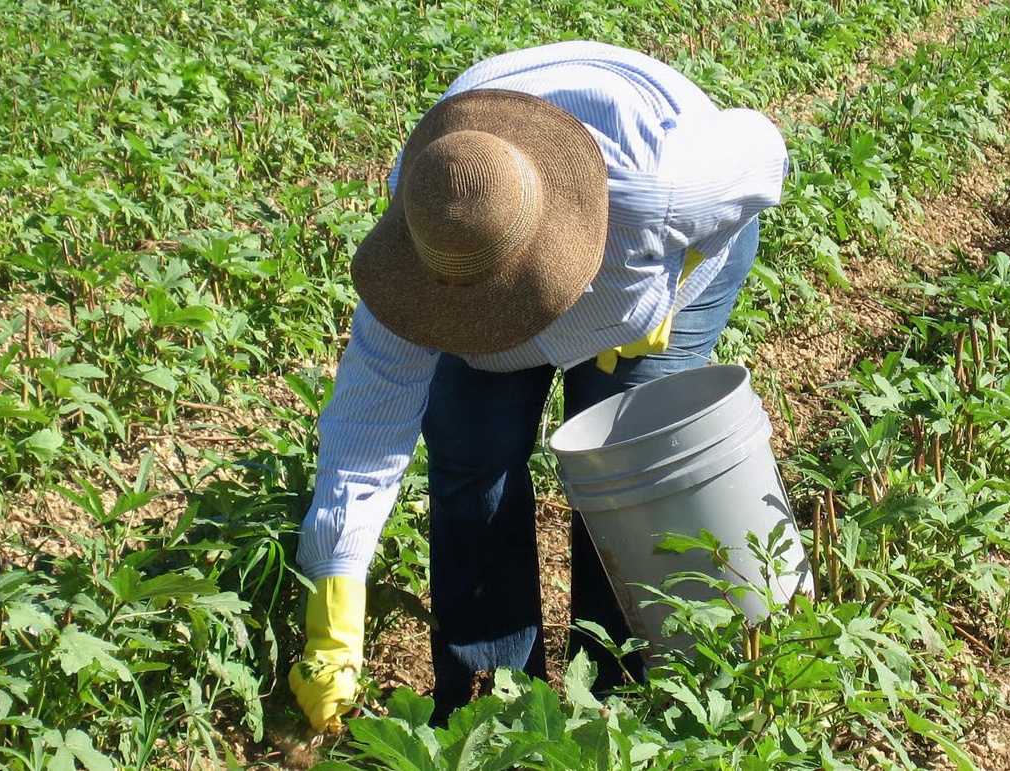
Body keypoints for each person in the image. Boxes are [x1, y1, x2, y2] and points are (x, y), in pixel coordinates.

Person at [287, 40, 789, 732]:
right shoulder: (428, 241)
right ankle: (488, 696)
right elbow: (365, 429)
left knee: (627, 472)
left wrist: (674, 274)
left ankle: (615, 692)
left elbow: (764, 150)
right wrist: (334, 608)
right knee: (471, 457)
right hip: (517, 235)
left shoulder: (657, 189)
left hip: (651, 263)